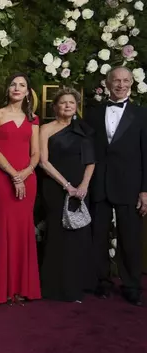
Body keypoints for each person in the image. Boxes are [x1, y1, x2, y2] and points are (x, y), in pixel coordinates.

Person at [84, 66, 147, 306]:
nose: (121, 85)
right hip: (99, 184)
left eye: (125, 81)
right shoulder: (93, 114)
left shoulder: (142, 115)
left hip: (130, 186)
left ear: (131, 83)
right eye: (116, 81)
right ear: (108, 83)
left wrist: (145, 190)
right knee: (97, 236)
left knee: (130, 238)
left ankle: (131, 285)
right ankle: (101, 281)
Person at [0, 72, 42, 305]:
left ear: (28, 92)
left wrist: (24, 174)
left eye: (22, 85)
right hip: (2, 177)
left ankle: (22, 288)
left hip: (27, 178)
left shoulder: (33, 119)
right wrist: (14, 176)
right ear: (8, 90)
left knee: (23, 229)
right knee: (4, 226)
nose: (17, 88)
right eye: (13, 85)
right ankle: (2, 289)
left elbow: (36, 153)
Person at [38, 88, 96, 302]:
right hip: (55, 187)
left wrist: (83, 186)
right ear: (55, 106)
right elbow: (43, 162)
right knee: (56, 235)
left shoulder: (84, 129)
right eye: (63, 102)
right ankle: (54, 288)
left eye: (72, 102)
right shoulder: (45, 129)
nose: (68, 106)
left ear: (76, 106)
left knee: (78, 238)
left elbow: (91, 161)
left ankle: (75, 287)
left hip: (80, 191)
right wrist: (66, 185)